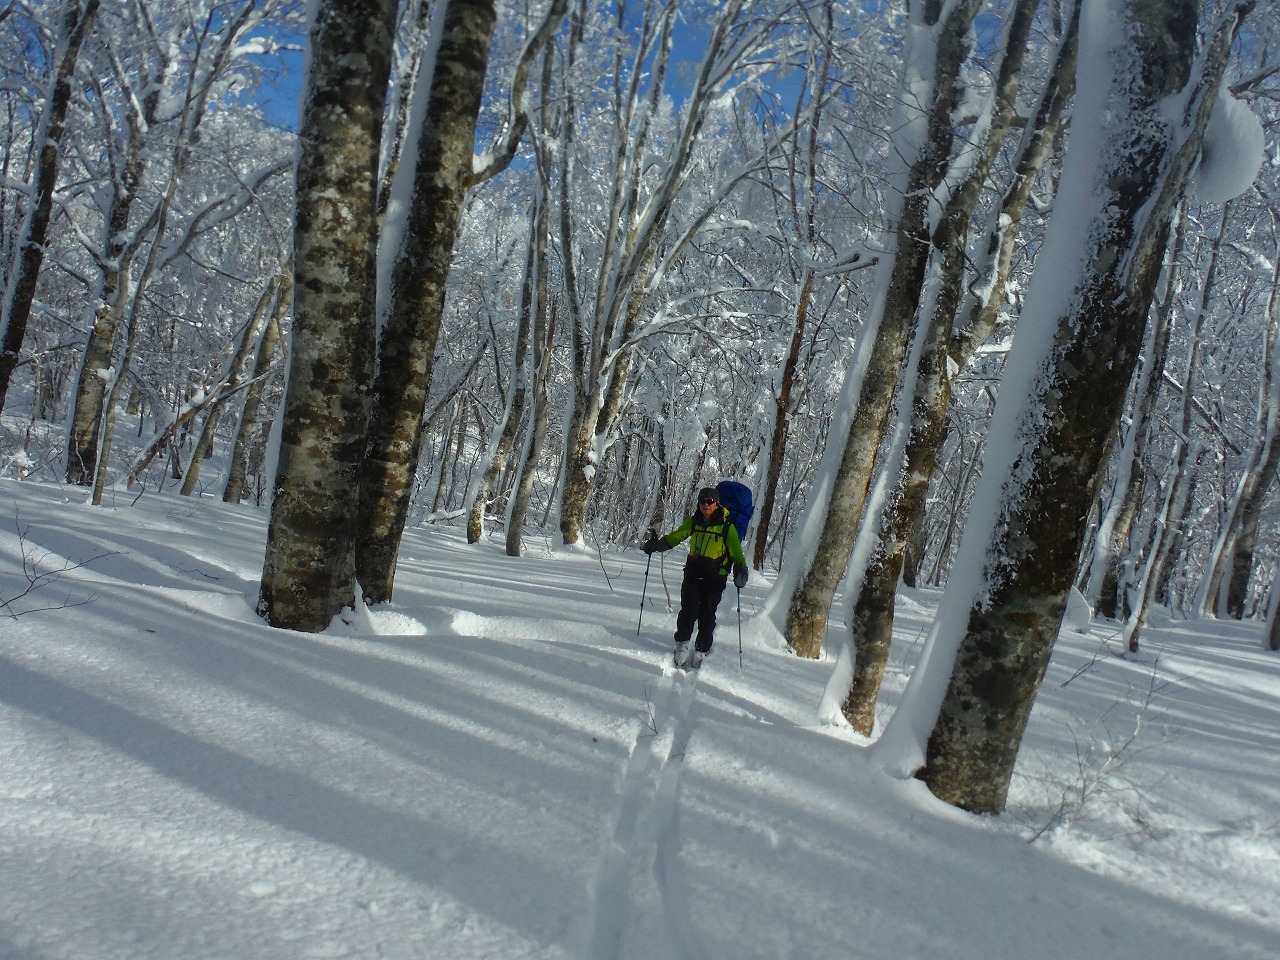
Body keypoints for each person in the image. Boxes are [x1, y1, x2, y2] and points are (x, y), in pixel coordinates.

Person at [643, 486, 749, 669]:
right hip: (693, 572)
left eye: (710, 502)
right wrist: (656, 546)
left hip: (716, 577)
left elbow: (737, 553)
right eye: (702, 501)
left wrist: (741, 570)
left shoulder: (726, 527)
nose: (706, 505)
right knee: (688, 610)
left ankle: (701, 648)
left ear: (717, 503)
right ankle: (683, 644)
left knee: (707, 613)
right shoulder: (695, 522)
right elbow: (676, 537)